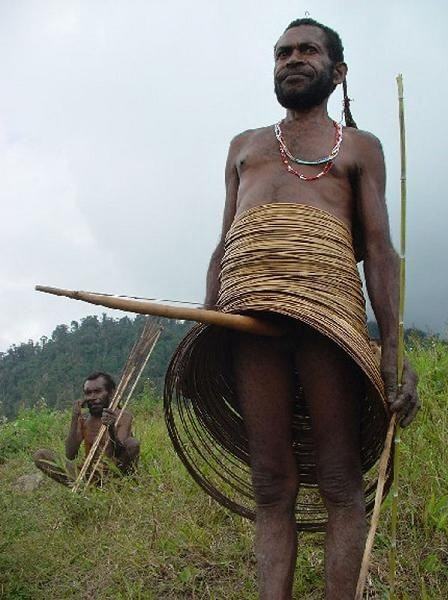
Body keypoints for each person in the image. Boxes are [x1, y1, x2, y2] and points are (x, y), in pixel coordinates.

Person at [164, 17, 420, 600]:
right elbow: (225, 241)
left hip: (327, 317)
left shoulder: (359, 147)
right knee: (271, 482)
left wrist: (392, 345)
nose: (292, 59)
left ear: (338, 70)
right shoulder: (245, 146)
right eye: (282, 52)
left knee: (339, 479)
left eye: (308, 50)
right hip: (249, 318)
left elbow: (379, 250)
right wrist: (206, 326)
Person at [33, 372, 139, 486]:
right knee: (41, 455)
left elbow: (121, 451)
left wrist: (111, 428)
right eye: (88, 393)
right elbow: (70, 454)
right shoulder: (84, 420)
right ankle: (83, 487)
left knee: (133, 443)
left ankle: (114, 487)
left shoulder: (123, 416)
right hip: (88, 474)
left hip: (115, 473)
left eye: (98, 392)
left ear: (111, 393)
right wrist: (75, 419)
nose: (92, 397)